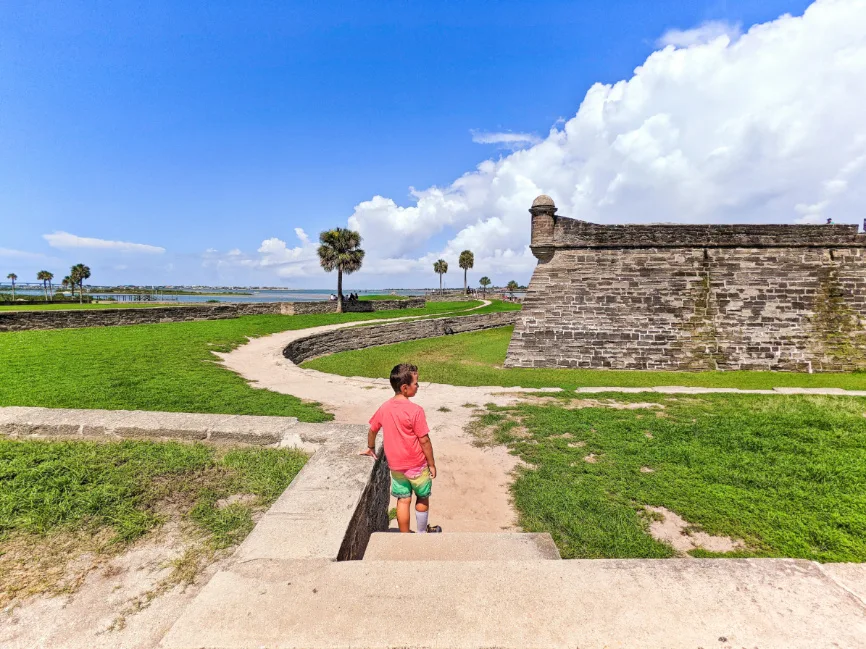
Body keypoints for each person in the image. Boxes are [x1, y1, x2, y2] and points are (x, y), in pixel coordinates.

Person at [361, 363, 441, 533]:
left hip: (396, 467)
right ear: (405, 388)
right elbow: (424, 440)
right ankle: (420, 532)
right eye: (416, 383)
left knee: (403, 500)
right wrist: (431, 463)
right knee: (422, 497)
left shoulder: (385, 407)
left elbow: (373, 429)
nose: (418, 387)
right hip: (417, 466)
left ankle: (404, 536)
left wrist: (370, 447)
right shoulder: (416, 411)